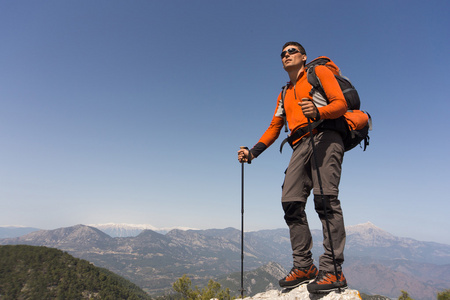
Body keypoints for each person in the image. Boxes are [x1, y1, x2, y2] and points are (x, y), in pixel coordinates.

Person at [237, 42, 348, 293]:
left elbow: (340, 104)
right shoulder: (284, 93)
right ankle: (304, 266)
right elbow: (275, 127)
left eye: (292, 51)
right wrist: (252, 152)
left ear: (303, 56)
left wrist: (319, 111)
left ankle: (332, 270)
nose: (286, 55)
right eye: (283, 54)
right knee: (291, 201)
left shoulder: (318, 73)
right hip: (300, 144)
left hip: (326, 135)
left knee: (325, 200)